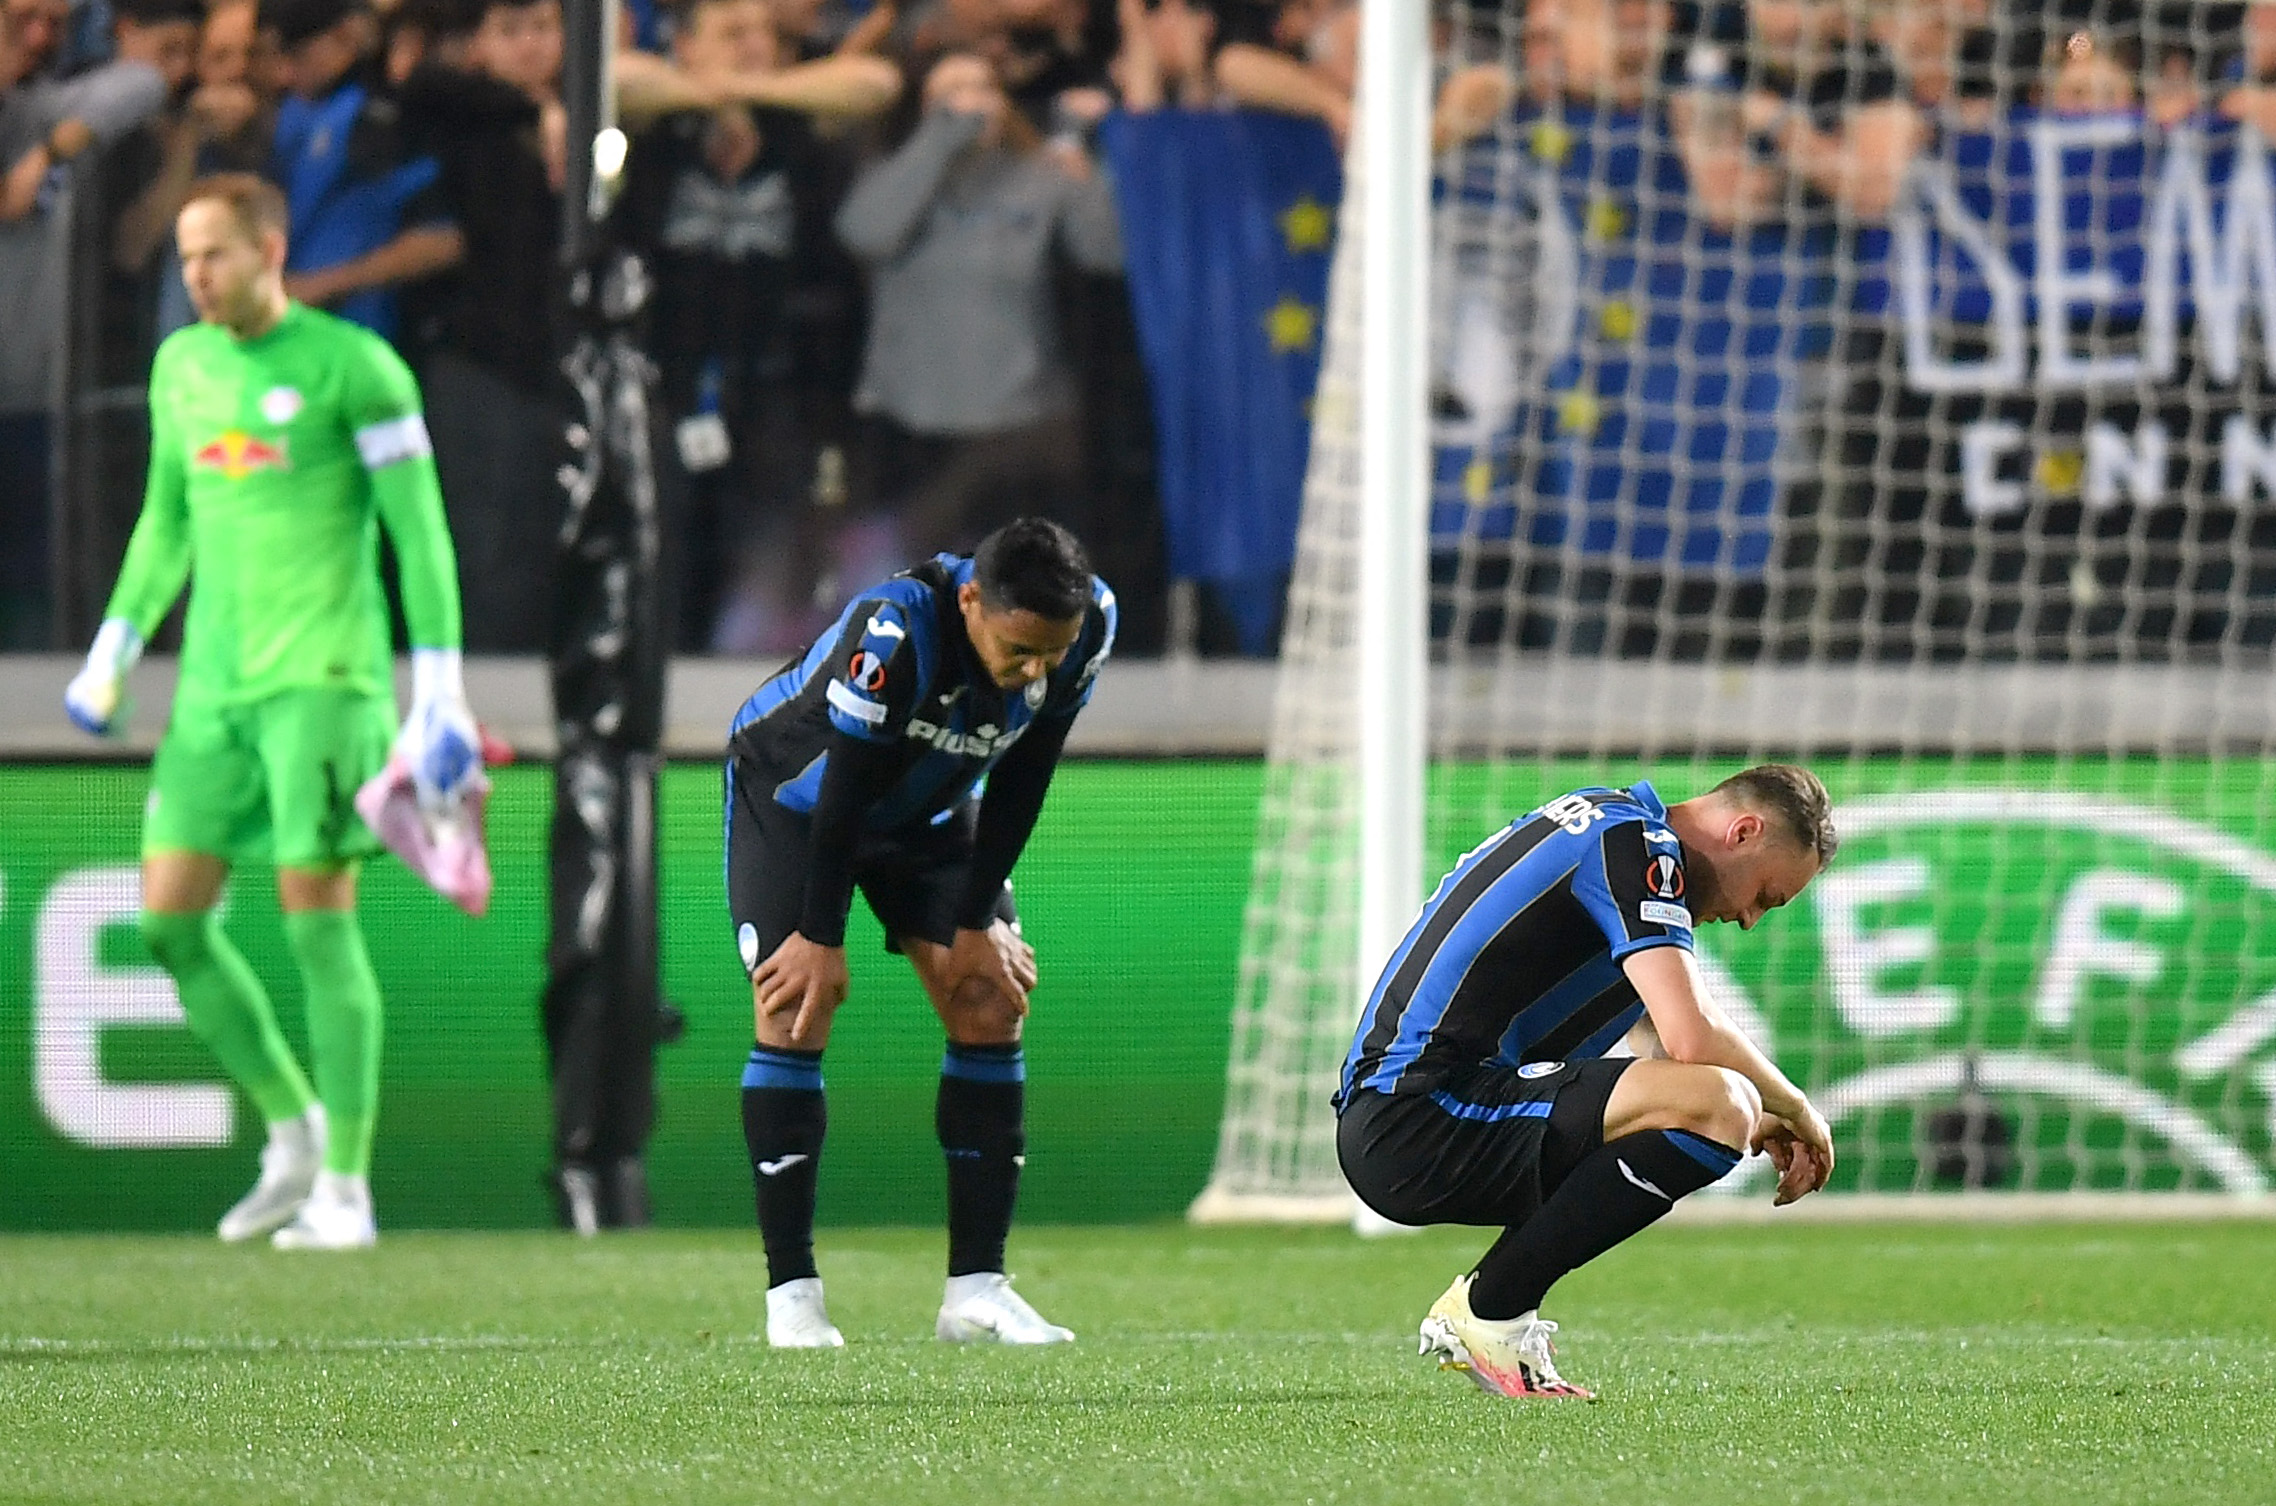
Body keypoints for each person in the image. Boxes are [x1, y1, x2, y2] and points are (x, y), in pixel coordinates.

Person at [60, 172, 477, 1251]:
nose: (196, 275)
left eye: (215, 255)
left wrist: (437, 691)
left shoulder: (356, 368)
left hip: (322, 689)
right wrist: (114, 645)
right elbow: (166, 521)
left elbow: (418, 535)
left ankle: (347, 1185)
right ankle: (292, 1132)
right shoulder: (182, 366)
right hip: (210, 692)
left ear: (271, 252)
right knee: (168, 923)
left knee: (316, 926)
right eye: (185, 258)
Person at [724, 516, 1115, 1347]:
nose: (1035, 673)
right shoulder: (896, 629)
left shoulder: (1088, 628)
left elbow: (1026, 773)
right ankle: (791, 1295)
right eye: (1019, 653)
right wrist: (819, 936)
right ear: (972, 599)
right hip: (798, 801)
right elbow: (844, 786)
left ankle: (976, 1291)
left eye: (1053, 653)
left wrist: (974, 922)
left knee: (989, 998)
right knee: (797, 1005)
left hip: (930, 812)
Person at [1337, 766, 1839, 1398]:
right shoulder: (1638, 847)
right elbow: (1693, 1034)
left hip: (1421, 1112)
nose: (1748, 918)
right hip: (1423, 1114)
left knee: (1723, 1106)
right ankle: (1493, 1311)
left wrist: (1753, 1116)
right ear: (1743, 831)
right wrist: (1795, 1108)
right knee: (1723, 1104)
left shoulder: (1612, 827)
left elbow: (1661, 1041)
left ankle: (1495, 1312)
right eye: (1766, 894)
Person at [835, 52, 1123, 561]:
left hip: (1014, 430)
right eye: (952, 92)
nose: (971, 102)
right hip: (909, 426)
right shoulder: (893, 172)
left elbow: (1105, 251)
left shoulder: (1037, 175)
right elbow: (863, 233)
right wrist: (939, 141)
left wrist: (1085, 174)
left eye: (982, 87)